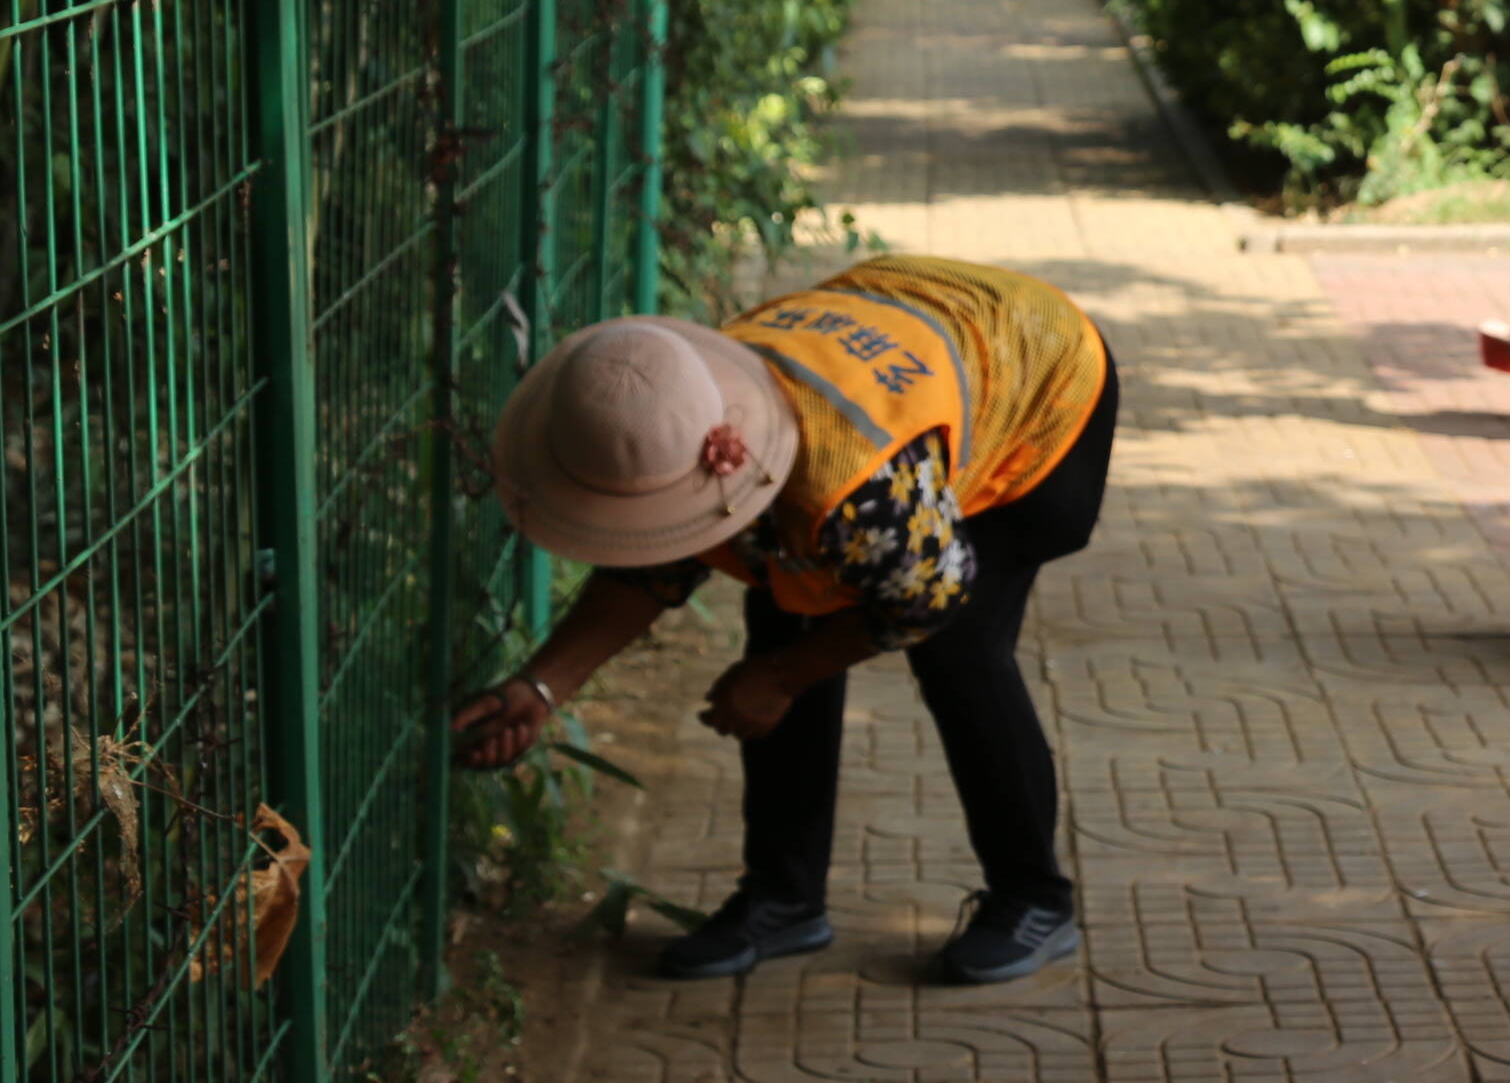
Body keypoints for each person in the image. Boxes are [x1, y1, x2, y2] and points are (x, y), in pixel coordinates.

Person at [449, 254, 1114, 984]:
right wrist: (543, 685)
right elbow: (655, 562)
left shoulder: (851, 493)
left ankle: (1034, 898)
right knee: (784, 612)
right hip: (902, 325)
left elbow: (931, 595)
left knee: (959, 652)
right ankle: (784, 898)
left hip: (1044, 378)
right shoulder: (677, 403)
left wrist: (781, 678)